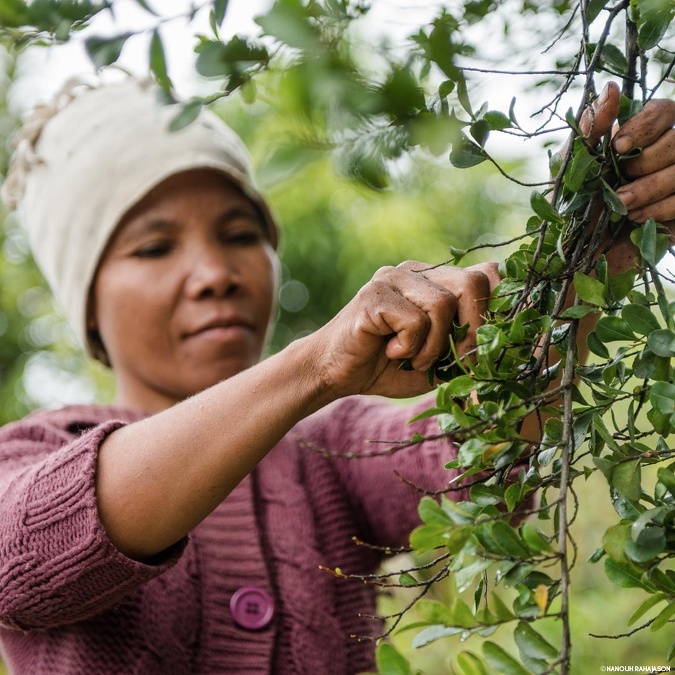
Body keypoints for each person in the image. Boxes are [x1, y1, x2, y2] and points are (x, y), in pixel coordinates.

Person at [0, 76, 672, 674]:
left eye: (239, 234)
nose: (215, 275)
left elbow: (480, 462)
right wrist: (312, 363)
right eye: (153, 247)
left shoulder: (329, 447)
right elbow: (28, 555)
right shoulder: (30, 453)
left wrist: (585, 250)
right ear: (86, 307)